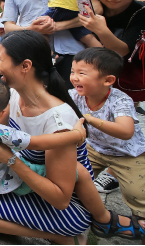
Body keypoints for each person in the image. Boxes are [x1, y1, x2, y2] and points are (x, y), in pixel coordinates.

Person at [0, 74, 145, 241]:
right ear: (0, 111)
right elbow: (36, 143)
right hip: (10, 181)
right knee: (79, 172)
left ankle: (101, 219)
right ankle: (100, 219)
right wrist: (76, 135)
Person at [0, 30, 93, 244]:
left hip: (66, 211)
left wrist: (9, 159)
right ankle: (7, 222)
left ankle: (64, 237)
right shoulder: (12, 96)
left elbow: (61, 199)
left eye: (1, 59)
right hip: (26, 187)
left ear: (25, 66)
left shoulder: (58, 119)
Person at [69, 48, 145, 229]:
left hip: (128, 153)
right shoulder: (74, 95)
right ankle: (77, 216)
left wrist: (91, 119)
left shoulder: (120, 100)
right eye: (72, 71)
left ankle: (140, 227)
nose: (74, 77)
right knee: (71, 179)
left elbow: (126, 131)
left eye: (81, 73)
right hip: (94, 148)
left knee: (138, 193)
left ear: (108, 80)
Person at [78, 0, 145, 113]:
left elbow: (122, 50)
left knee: (123, 112)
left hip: (127, 74)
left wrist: (100, 29)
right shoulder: (93, 7)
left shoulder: (140, 12)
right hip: (92, 69)